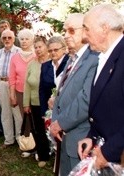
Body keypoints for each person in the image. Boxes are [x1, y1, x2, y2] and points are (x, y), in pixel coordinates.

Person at [49, 13, 99, 175]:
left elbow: (86, 100)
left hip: (81, 137)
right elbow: (63, 92)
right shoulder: (73, 57)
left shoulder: (94, 58)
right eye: (65, 31)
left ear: (85, 31)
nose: (66, 35)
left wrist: (60, 123)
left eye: (71, 31)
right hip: (66, 135)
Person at [78, 4, 124, 169]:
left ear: (105, 28)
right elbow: (105, 104)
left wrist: (109, 151)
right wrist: (92, 136)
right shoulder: (104, 55)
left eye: (87, 29)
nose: (83, 36)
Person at [23, 36, 51, 167]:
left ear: (46, 47)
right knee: (38, 130)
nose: (38, 49)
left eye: (40, 46)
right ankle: (43, 155)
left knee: (51, 129)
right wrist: (26, 103)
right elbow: (26, 85)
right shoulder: (31, 64)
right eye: (36, 47)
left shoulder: (53, 63)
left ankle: (55, 153)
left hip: (50, 103)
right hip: (35, 102)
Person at [0, 29, 21, 148]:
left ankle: (20, 140)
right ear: (1, 39)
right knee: (5, 113)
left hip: (14, 85)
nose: (7, 40)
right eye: (4, 38)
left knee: (17, 114)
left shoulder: (19, 52)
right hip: (2, 83)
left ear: (14, 39)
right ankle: (9, 140)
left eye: (9, 37)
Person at [39, 36, 69, 117]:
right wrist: (44, 112)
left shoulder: (70, 63)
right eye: (50, 50)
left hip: (67, 110)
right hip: (50, 110)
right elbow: (42, 91)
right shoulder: (45, 66)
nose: (53, 53)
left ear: (63, 49)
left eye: (56, 50)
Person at [9, 28, 35, 117]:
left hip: (35, 93)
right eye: (22, 39)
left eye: (27, 39)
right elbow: (12, 78)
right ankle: (25, 132)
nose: (24, 41)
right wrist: (12, 95)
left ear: (31, 41)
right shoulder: (15, 57)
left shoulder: (36, 56)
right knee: (25, 118)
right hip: (20, 92)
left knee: (36, 118)